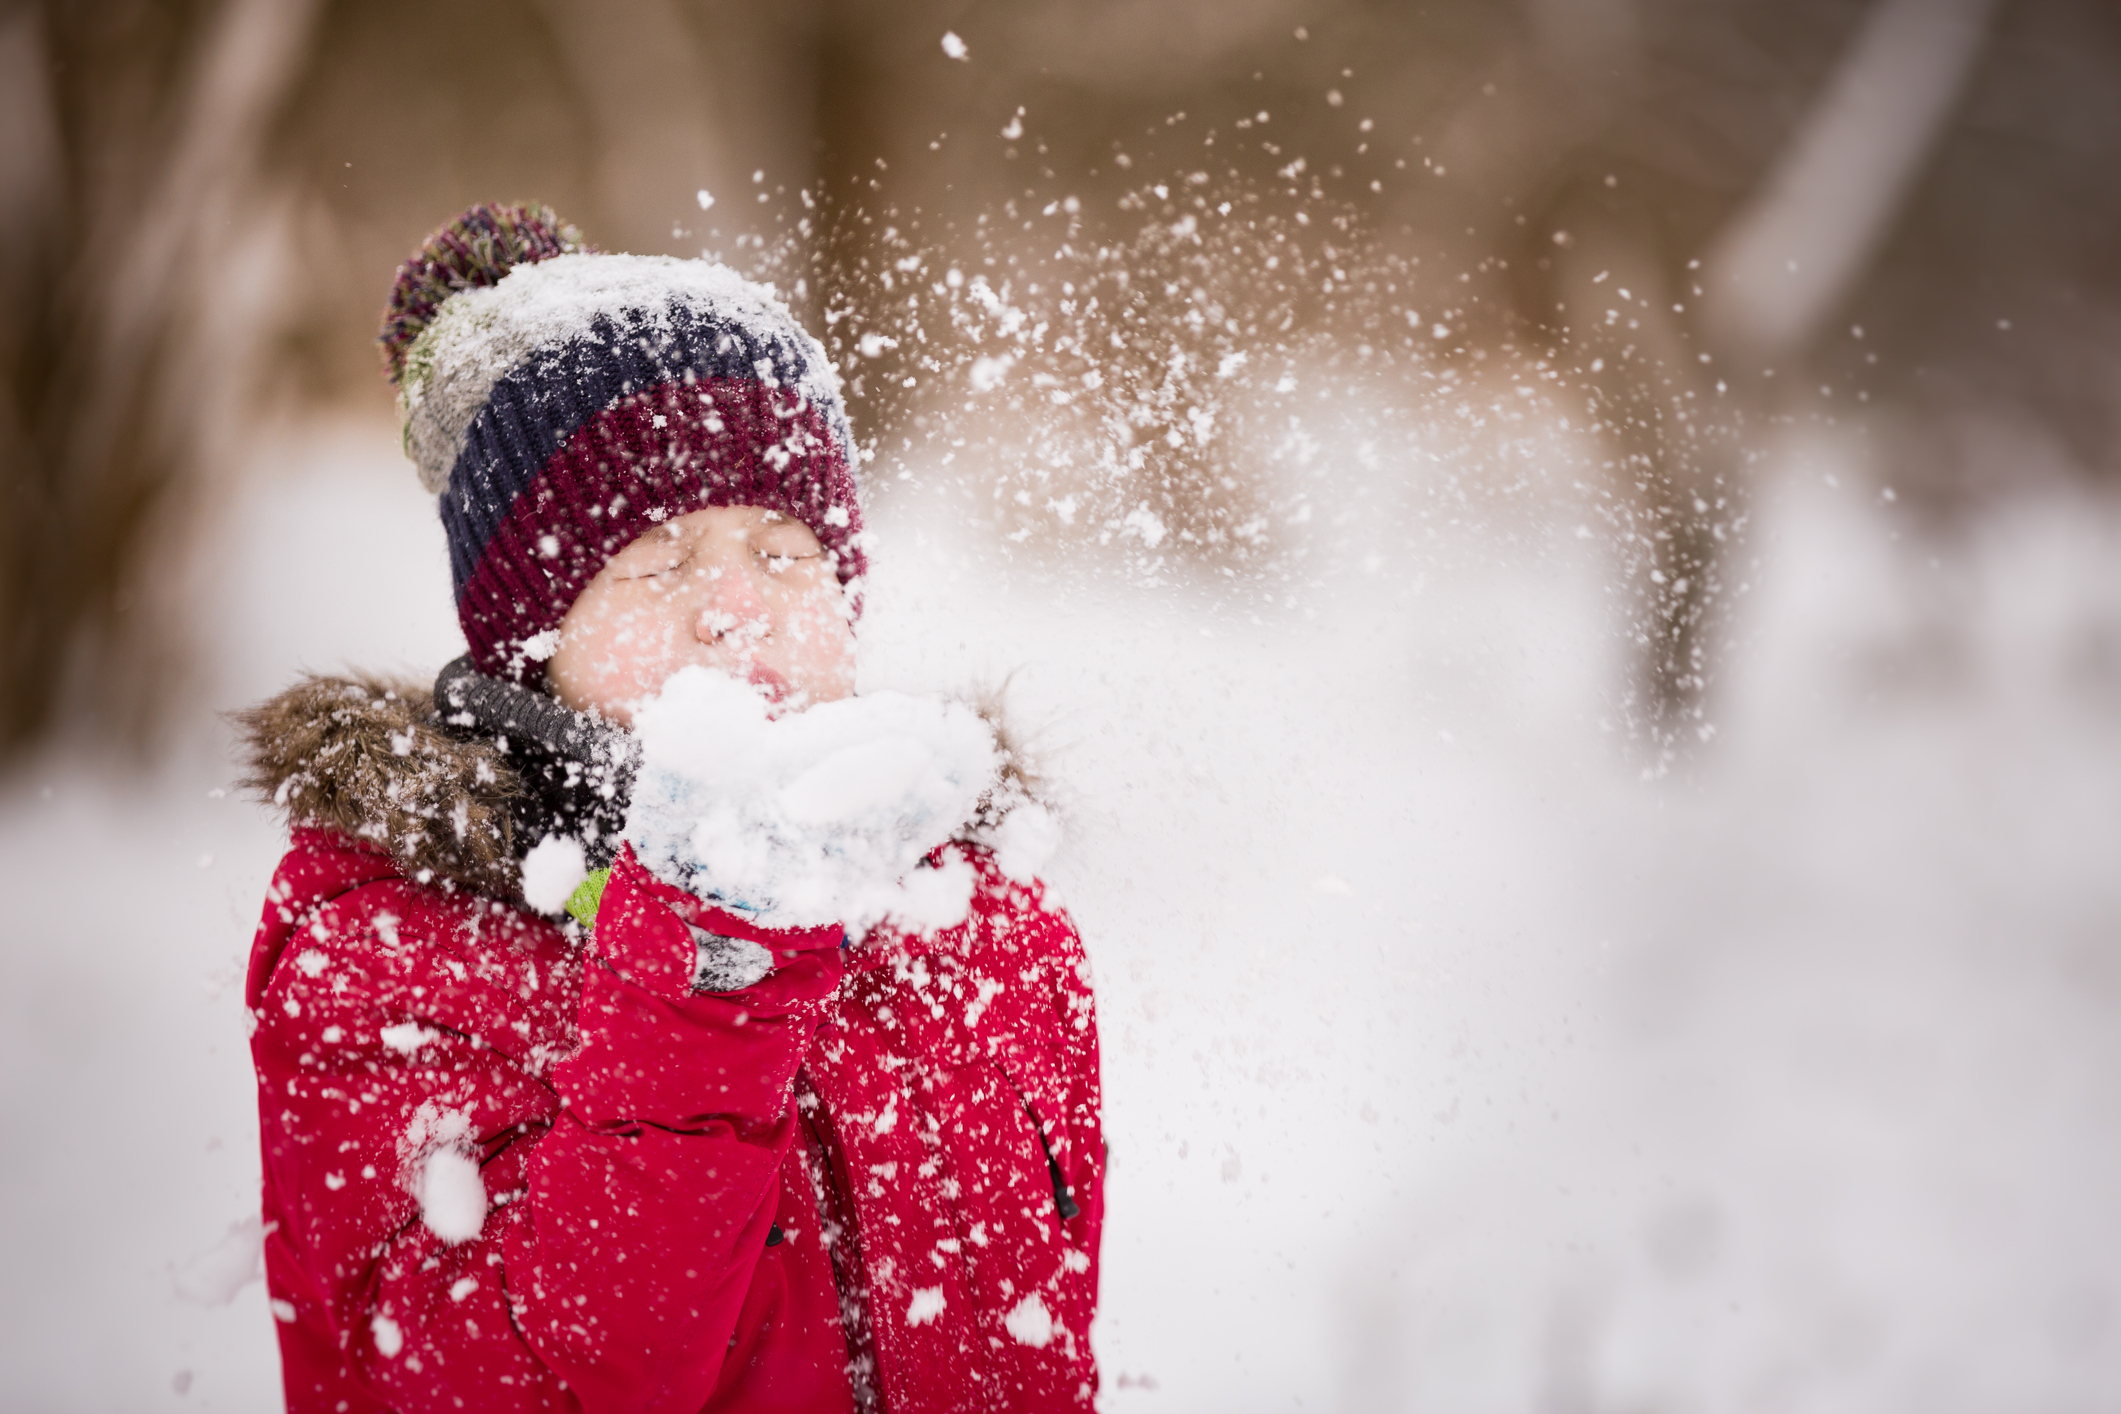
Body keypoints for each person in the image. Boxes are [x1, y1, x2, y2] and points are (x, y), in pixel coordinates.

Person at [237, 203, 1103, 1413]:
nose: (735, 609)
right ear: (529, 644)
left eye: (785, 550)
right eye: (656, 560)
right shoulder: (389, 949)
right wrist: (707, 964)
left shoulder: (982, 929)